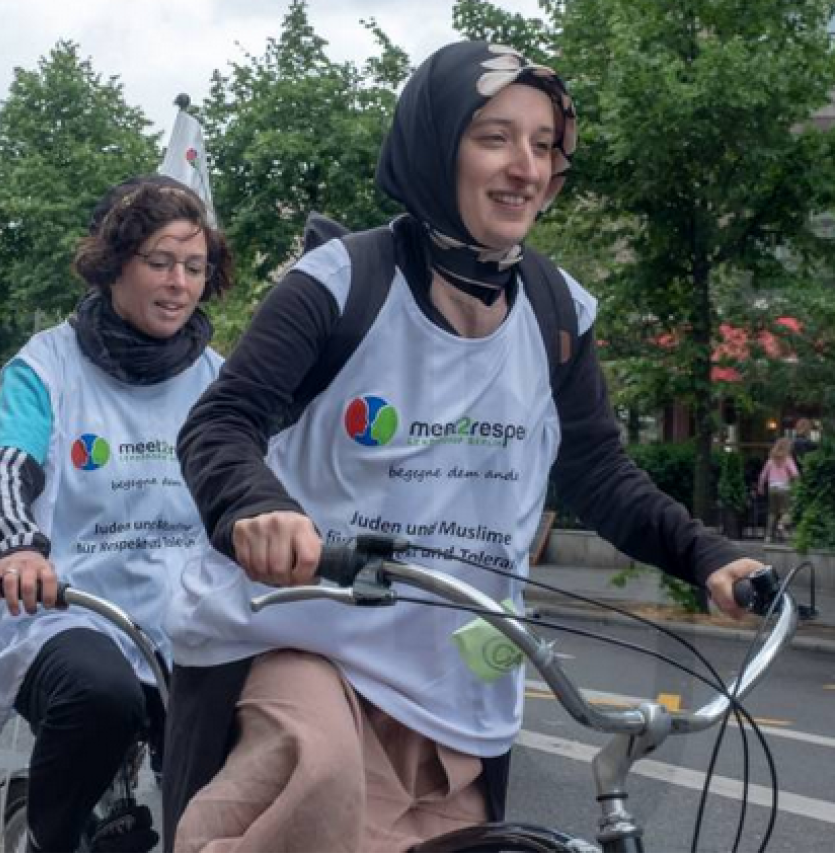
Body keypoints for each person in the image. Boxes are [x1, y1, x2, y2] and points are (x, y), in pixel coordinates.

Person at [162, 40, 767, 853]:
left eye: (544, 144)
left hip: (455, 682)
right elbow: (219, 422)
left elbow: (598, 471)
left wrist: (707, 555)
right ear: (434, 145)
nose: (526, 166)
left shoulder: (558, 310)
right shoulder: (343, 280)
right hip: (301, 637)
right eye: (494, 136)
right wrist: (258, 508)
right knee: (320, 774)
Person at [0, 175, 233, 853]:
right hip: (66, 611)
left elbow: (260, 477)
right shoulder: (47, 366)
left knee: (245, 729)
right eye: (160, 262)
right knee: (102, 693)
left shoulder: (217, 380)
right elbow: (4, 464)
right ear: (114, 263)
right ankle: (47, 841)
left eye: (194, 267)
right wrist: (17, 546)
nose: (178, 282)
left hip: (186, 621)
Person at [758, 437, 800, 543]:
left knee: (772, 513)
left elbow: (763, 475)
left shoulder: (771, 460)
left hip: (772, 488)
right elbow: (795, 474)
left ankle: (768, 536)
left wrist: (761, 486)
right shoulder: (787, 459)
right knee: (786, 511)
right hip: (784, 488)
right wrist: (796, 482)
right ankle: (781, 525)